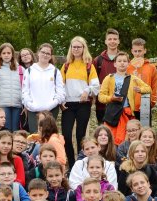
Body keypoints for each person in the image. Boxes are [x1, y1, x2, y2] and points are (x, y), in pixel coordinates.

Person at [61, 36, 100, 166]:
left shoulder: (89, 66)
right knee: (66, 135)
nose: (76, 49)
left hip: (83, 104)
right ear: (71, 48)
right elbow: (60, 85)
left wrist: (87, 91)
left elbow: (96, 86)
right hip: (68, 104)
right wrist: (61, 100)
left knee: (80, 136)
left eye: (79, 47)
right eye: (74, 47)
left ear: (84, 48)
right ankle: (72, 164)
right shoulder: (66, 66)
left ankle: (81, 162)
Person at [97, 52, 151, 144]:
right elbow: (101, 97)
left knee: (127, 140)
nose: (122, 63)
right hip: (112, 114)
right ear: (115, 64)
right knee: (111, 140)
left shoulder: (133, 78)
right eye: (119, 61)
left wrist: (140, 89)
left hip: (127, 112)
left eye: (124, 61)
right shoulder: (109, 78)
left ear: (128, 63)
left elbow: (148, 88)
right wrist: (111, 98)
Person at [22, 43, 65, 133]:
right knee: (35, 135)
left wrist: (53, 103)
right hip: (33, 110)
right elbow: (25, 91)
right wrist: (29, 104)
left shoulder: (55, 71)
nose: (45, 55)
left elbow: (60, 91)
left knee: (49, 135)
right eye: (43, 52)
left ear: (51, 56)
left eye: (48, 53)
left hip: (51, 109)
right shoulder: (29, 71)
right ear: (38, 53)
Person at [0, 42, 23, 132]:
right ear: (0, 55)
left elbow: (24, 88)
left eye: (9, 53)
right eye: (4, 53)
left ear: (12, 54)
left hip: (17, 105)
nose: (6, 55)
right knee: (6, 131)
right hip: (3, 105)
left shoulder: (20, 69)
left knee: (16, 131)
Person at [127, 38, 157, 123]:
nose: (137, 54)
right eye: (135, 51)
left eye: (140, 51)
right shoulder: (127, 67)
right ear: (132, 51)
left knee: (145, 130)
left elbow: (154, 87)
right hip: (129, 107)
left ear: (145, 50)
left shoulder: (151, 67)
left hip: (145, 105)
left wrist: (151, 103)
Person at [93, 29, 121, 123]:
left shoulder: (124, 59)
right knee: (103, 130)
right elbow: (93, 81)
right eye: (110, 39)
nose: (112, 41)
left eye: (115, 39)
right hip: (102, 104)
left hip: (120, 103)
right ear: (105, 41)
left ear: (118, 41)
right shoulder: (98, 60)